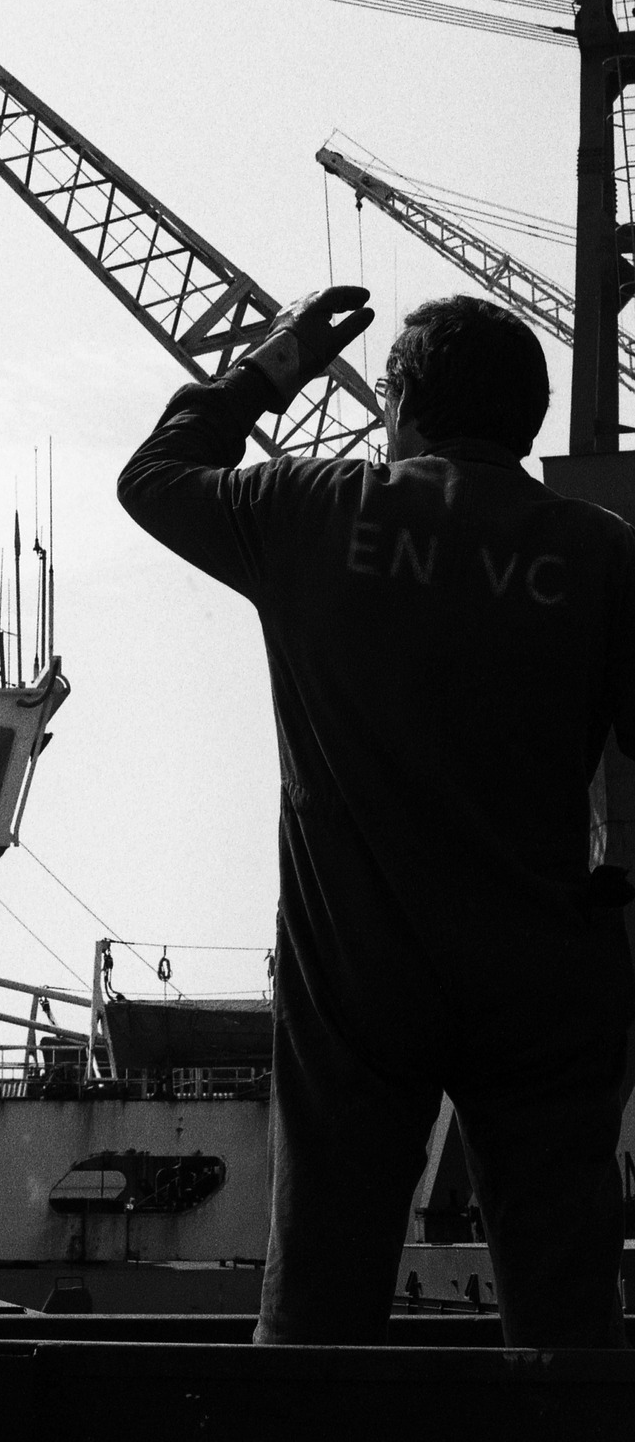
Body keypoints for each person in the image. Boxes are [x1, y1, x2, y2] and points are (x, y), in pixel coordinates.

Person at [117, 288, 635, 1349]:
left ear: (398, 405)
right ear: (526, 421)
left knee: (317, 1312)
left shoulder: (313, 510)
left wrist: (274, 365)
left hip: (358, 970)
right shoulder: (600, 553)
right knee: (570, 1319)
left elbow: (153, 478)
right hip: (542, 971)